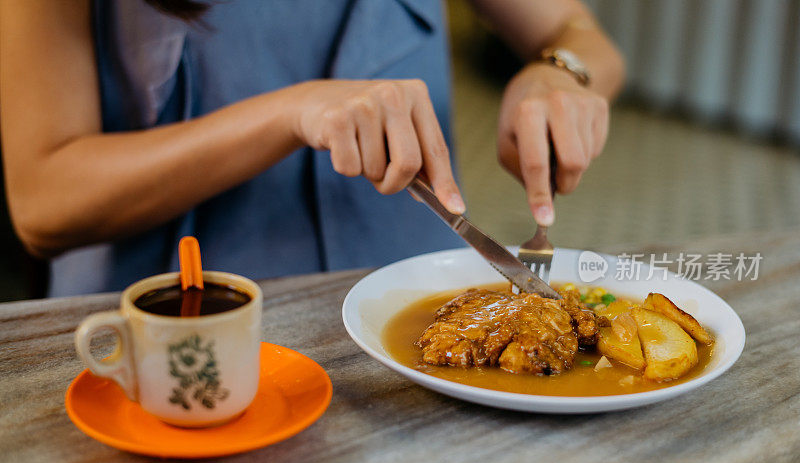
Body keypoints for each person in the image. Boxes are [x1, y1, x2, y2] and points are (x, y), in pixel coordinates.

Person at [0, 0, 624, 296]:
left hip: (416, 306)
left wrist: (561, 73)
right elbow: (43, 204)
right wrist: (291, 113)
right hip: (179, 318)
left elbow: (579, 34)